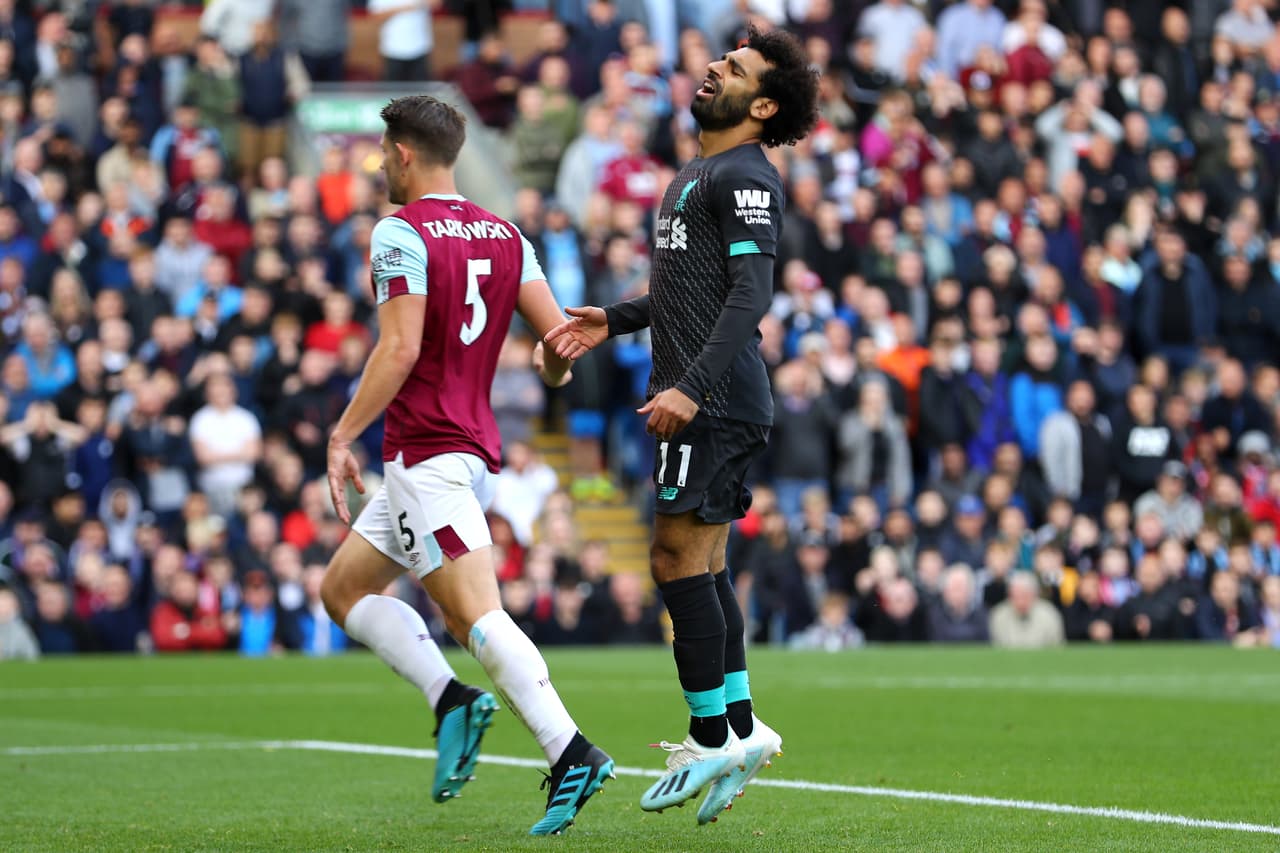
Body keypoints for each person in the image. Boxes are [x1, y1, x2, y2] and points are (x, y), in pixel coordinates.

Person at [545, 27, 819, 823]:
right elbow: (687, 289)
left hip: (715, 397)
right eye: (719, 60)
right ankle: (738, 723)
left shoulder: (744, 176)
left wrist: (693, 389)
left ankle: (707, 734)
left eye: (734, 69)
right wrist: (616, 318)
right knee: (702, 561)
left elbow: (749, 295)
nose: (713, 69)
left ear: (763, 105)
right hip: (711, 394)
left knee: (671, 559)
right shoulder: (698, 174)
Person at [319, 95, 611, 837]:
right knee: (343, 590)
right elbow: (562, 351)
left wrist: (343, 432)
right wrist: (548, 365)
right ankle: (451, 699)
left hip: (426, 456)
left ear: (406, 153)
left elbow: (399, 348)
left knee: (475, 617)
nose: (382, 163)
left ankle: (571, 748)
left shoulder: (399, 230)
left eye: (385, 151)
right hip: (462, 452)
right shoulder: (506, 233)